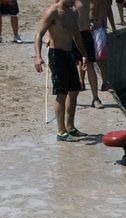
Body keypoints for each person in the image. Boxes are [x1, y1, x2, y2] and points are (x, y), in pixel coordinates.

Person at [34, 0, 89, 142]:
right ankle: (61, 131)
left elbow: (77, 35)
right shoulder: (53, 12)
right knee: (61, 92)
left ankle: (70, 127)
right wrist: (38, 57)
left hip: (69, 54)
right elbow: (39, 35)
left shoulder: (73, 12)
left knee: (75, 89)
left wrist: (83, 55)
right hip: (56, 54)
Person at [73, 0, 101, 108]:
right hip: (70, 34)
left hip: (84, 33)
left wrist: (95, 19)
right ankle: (69, 97)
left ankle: (95, 98)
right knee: (71, 64)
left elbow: (96, 5)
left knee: (90, 64)